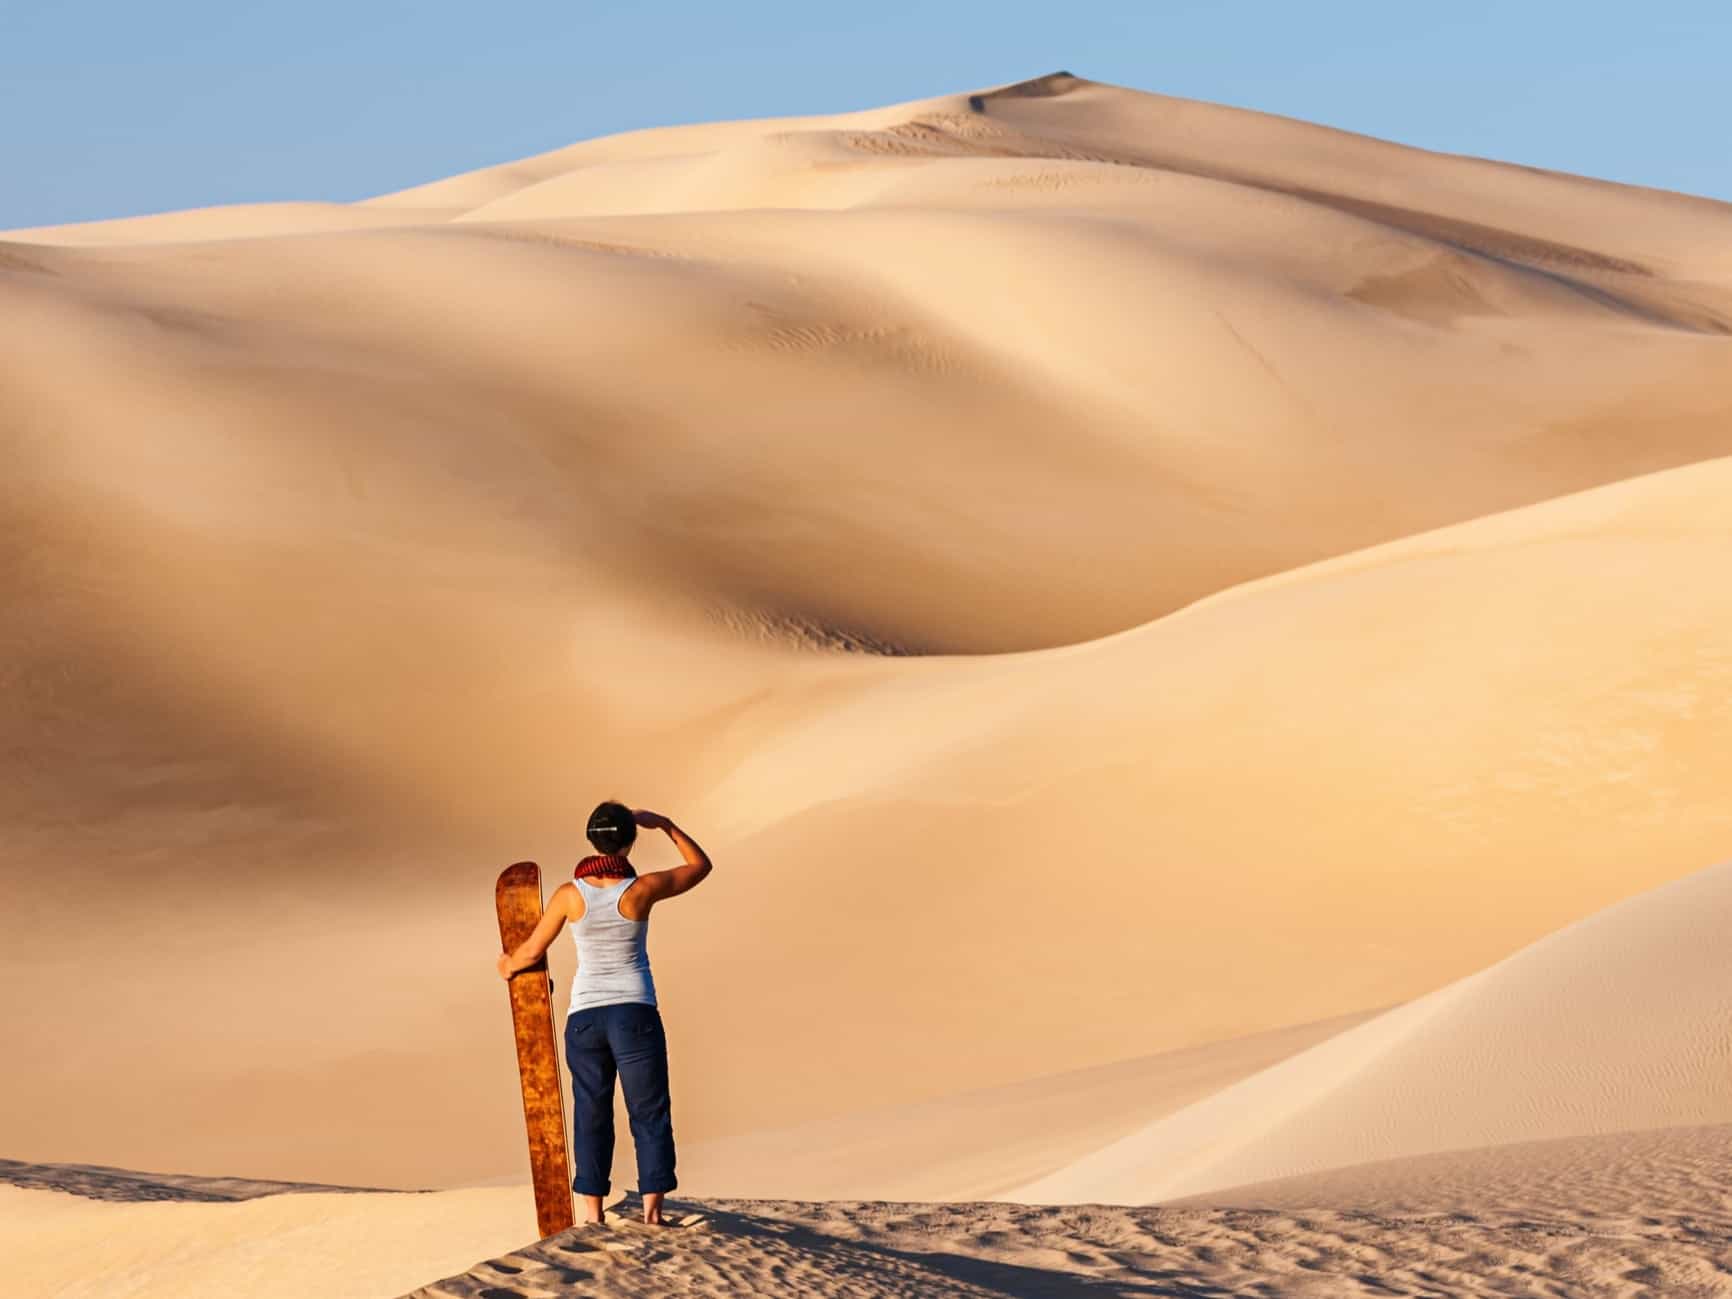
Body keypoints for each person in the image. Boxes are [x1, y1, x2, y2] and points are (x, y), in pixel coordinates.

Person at [495, 803, 712, 1225]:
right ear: (630, 840)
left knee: (591, 1111)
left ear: (591, 839)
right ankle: (652, 1214)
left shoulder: (569, 894)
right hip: (634, 1012)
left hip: (586, 1018)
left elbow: (531, 952)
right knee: (648, 1111)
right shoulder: (642, 889)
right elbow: (700, 865)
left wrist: (508, 965)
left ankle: (592, 1215)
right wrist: (666, 825)